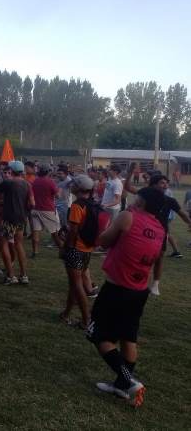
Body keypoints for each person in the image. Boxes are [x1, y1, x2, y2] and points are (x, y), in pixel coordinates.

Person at [88, 187, 166, 408]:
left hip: (116, 289)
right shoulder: (160, 227)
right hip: (139, 291)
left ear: (141, 200)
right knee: (128, 337)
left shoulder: (128, 216)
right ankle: (121, 388)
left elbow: (103, 241)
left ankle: (128, 380)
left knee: (97, 334)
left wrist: (104, 227)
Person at [59, 175, 98, 329]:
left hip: (76, 249)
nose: (71, 187)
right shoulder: (93, 203)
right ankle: (66, 313)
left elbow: (73, 230)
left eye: (73, 185)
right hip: (87, 250)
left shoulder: (77, 205)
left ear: (79, 188)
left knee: (77, 285)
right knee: (74, 284)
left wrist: (65, 248)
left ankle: (86, 320)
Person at [0, 161, 34, 285]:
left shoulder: (8, 182)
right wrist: (25, 211)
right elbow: (32, 203)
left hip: (9, 218)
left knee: (4, 244)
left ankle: (11, 276)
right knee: (19, 245)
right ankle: (24, 275)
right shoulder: (27, 184)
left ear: (11, 171)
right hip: (21, 218)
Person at [30, 166, 63, 257]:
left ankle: (35, 252)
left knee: (36, 231)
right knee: (54, 233)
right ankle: (62, 250)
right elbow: (58, 196)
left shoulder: (35, 181)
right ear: (47, 173)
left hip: (36, 209)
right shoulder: (50, 182)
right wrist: (59, 191)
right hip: (47, 210)